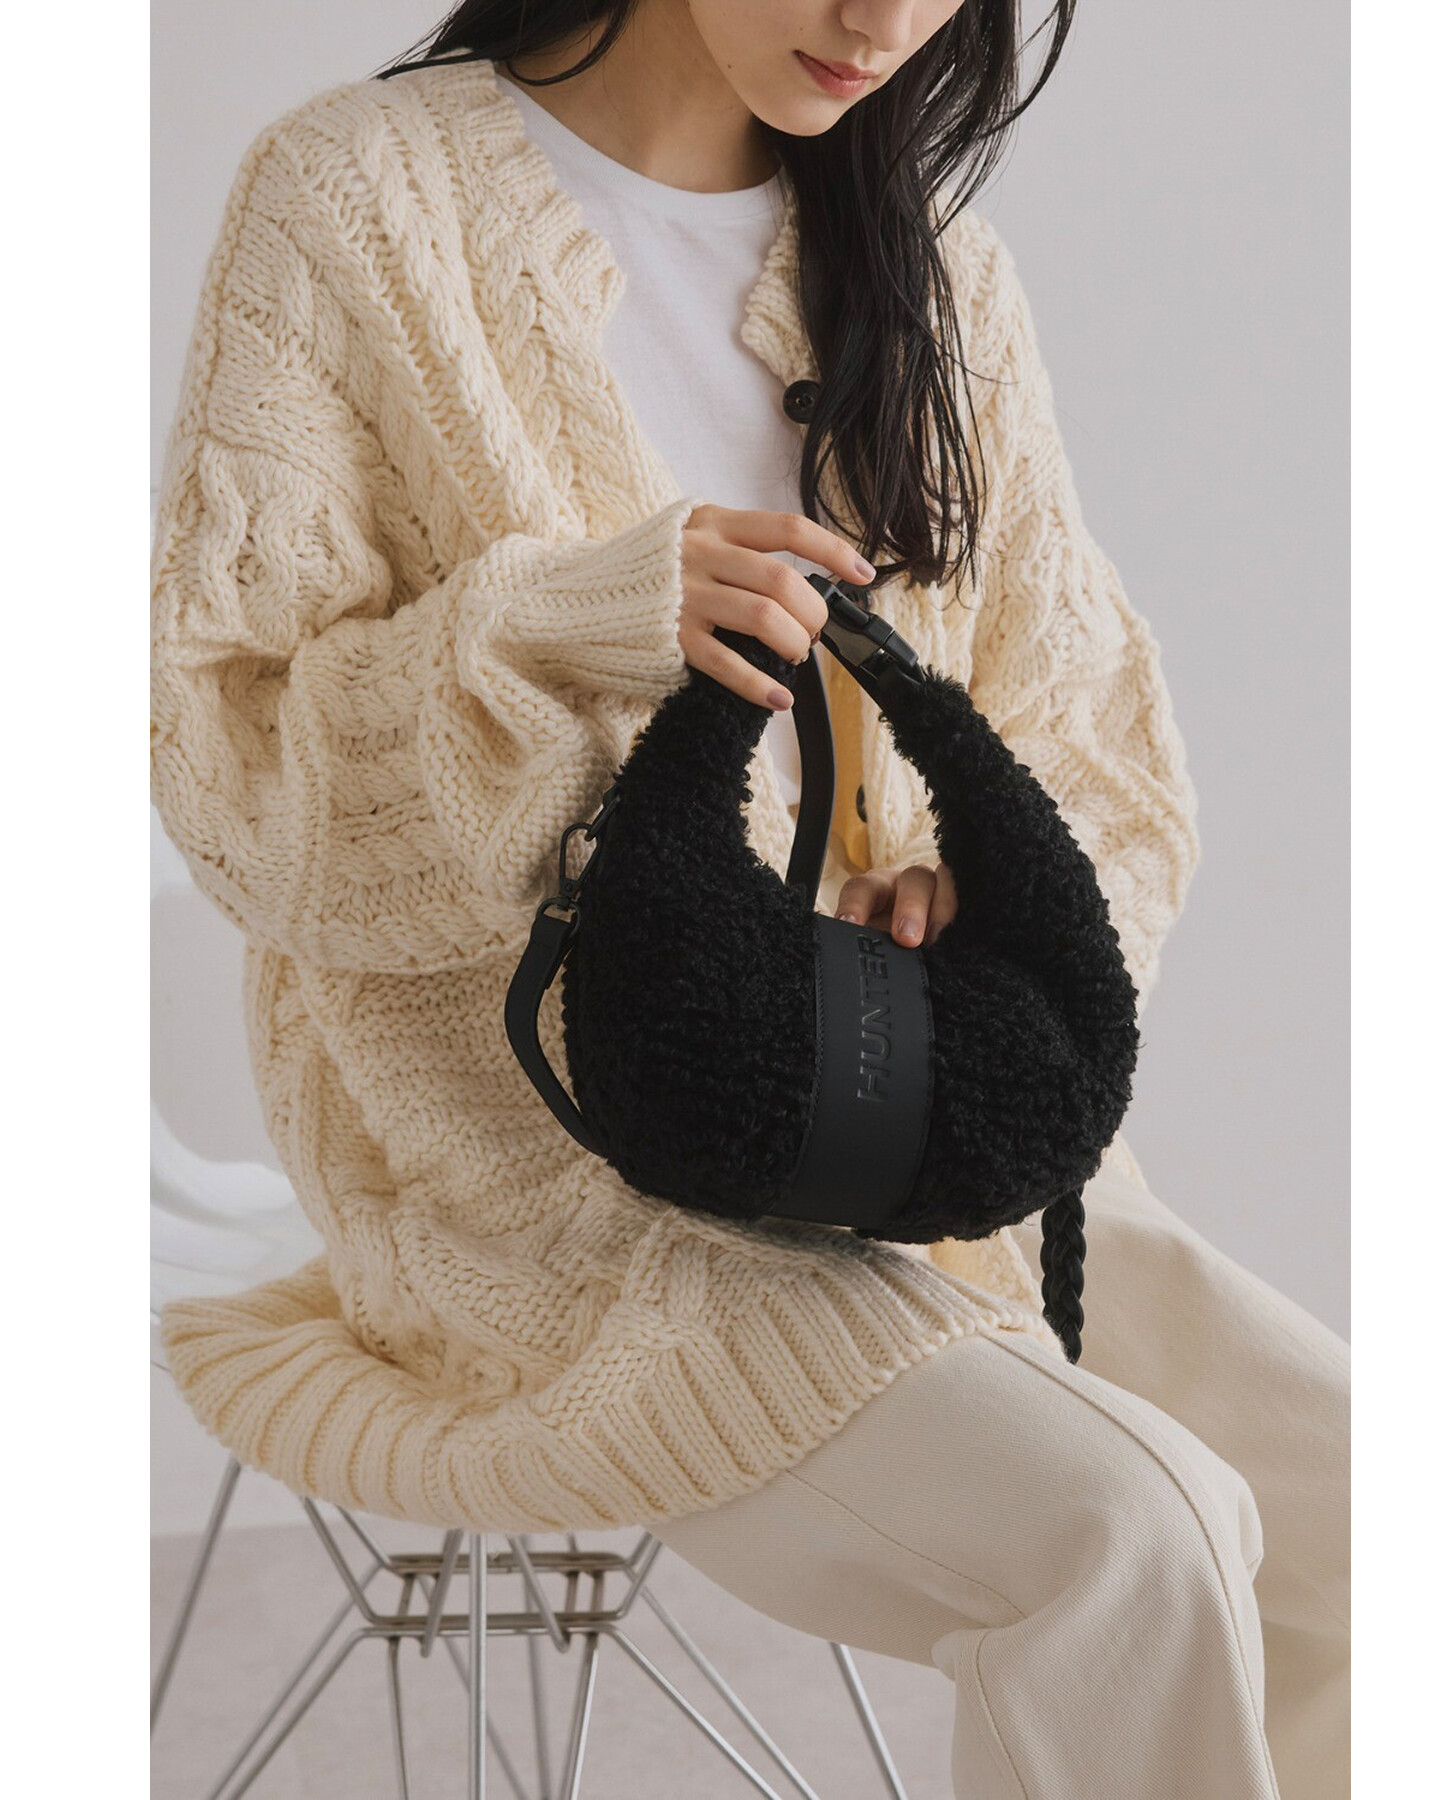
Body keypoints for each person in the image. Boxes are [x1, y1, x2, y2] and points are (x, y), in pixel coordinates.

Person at [150, 3, 1349, 1795]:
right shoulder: (354, 201)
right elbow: (231, 763)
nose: (885, 20)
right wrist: (570, 624)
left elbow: (1088, 739)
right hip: (539, 1176)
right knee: (1134, 1539)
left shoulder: (930, 271)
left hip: (917, 1130)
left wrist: (967, 881)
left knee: (1382, 1517)